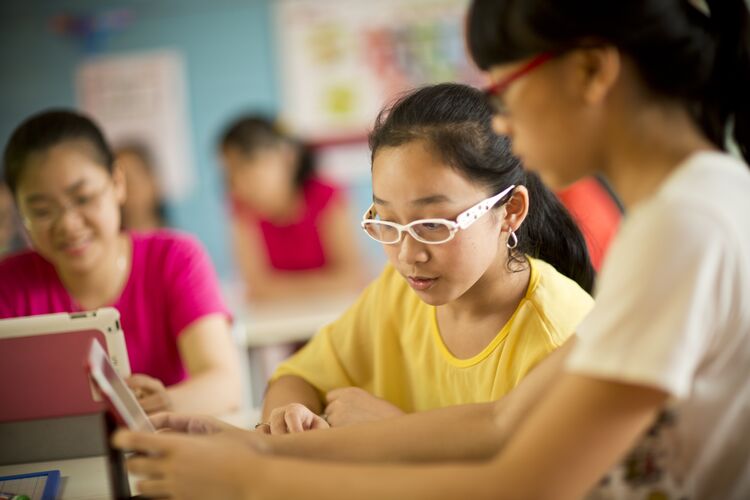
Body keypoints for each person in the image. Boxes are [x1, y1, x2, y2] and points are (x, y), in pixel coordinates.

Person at [114, 0, 750, 498]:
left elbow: (521, 483)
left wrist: (250, 482)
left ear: (591, 70)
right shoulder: (701, 200)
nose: (501, 123)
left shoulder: (681, 227)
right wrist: (246, 445)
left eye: (507, 91)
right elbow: (500, 423)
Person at [254, 83, 595, 433]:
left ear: (511, 211)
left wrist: (399, 431)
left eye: (432, 224)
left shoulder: (559, 337)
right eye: (387, 222)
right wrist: (287, 417)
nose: (407, 254)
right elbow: (296, 377)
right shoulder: (398, 292)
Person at [0, 109, 242, 416]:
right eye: (43, 210)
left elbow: (224, 384)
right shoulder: (8, 284)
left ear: (117, 183)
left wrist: (163, 405)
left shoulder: (175, 259)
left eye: (84, 198)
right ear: (20, 213)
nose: (69, 225)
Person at [219, 115, 365, 302]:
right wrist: (326, 284)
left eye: (246, 165)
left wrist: (276, 288)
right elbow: (255, 285)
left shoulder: (327, 196)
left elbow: (353, 276)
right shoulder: (241, 207)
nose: (237, 183)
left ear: (287, 156)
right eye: (230, 172)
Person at [114, 142, 168, 231]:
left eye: (133, 180)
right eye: (117, 182)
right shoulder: (108, 242)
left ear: (153, 182)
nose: (129, 190)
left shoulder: (178, 243)